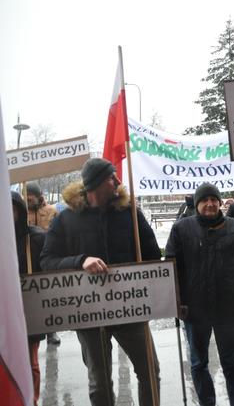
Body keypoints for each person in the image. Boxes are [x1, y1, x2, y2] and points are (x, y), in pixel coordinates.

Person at [40, 158, 161, 406]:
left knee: (150, 372)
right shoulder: (66, 219)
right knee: (100, 383)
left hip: (131, 311)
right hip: (89, 314)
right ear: (94, 185)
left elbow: (152, 255)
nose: (117, 181)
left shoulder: (130, 213)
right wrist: (80, 260)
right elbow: (47, 261)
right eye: (111, 177)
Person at [165, 183, 234, 406]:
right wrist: (176, 301)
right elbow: (172, 267)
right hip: (194, 309)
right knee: (198, 364)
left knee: (232, 363)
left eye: (213, 200)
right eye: (204, 200)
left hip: (227, 307)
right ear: (197, 203)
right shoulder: (181, 228)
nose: (209, 204)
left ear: (219, 203)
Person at [13, 191, 46, 406]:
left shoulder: (35, 238)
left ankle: (31, 400)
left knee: (31, 362)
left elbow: (48, 269)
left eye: (13, 209)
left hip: (29, 310)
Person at [25, 181, 61, 346]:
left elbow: (59, 233)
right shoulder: (22, 211)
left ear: (39, 197)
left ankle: (51, 331)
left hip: (47, 257)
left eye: (31, 199)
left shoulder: (51, 211)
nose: (28, 201)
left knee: (49, 295)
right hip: (29, 259)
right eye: (26, 198)